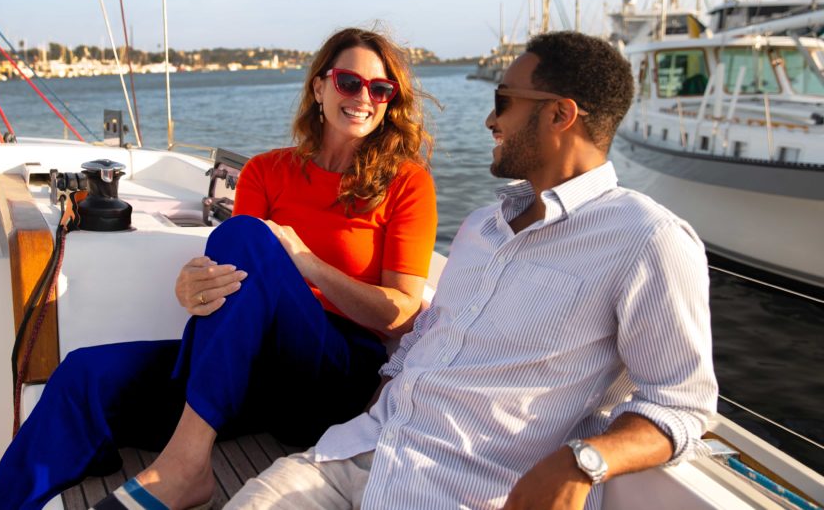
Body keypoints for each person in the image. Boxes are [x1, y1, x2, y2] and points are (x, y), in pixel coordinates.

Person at [227, 30, 719, 510]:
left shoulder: (646, 239)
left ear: (560, 114)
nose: (489, 118)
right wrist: (380, 400)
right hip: (353, 452)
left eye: (503, 101)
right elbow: (427, 336)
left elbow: (684, 403)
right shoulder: (482, 226)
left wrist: (582, 462)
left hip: (462, 488)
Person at [0, 26, 438, 510]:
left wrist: (307, 264)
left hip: (334, 376)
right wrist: (192, 289)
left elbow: (402, 314)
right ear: (319, 87)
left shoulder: (407, 184)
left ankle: (186, 465)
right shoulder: (266, 170)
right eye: (349, 82)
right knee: (82, 374)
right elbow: (236, 274)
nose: (364, 97)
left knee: (247, 236)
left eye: (380, 89)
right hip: (252, 373)